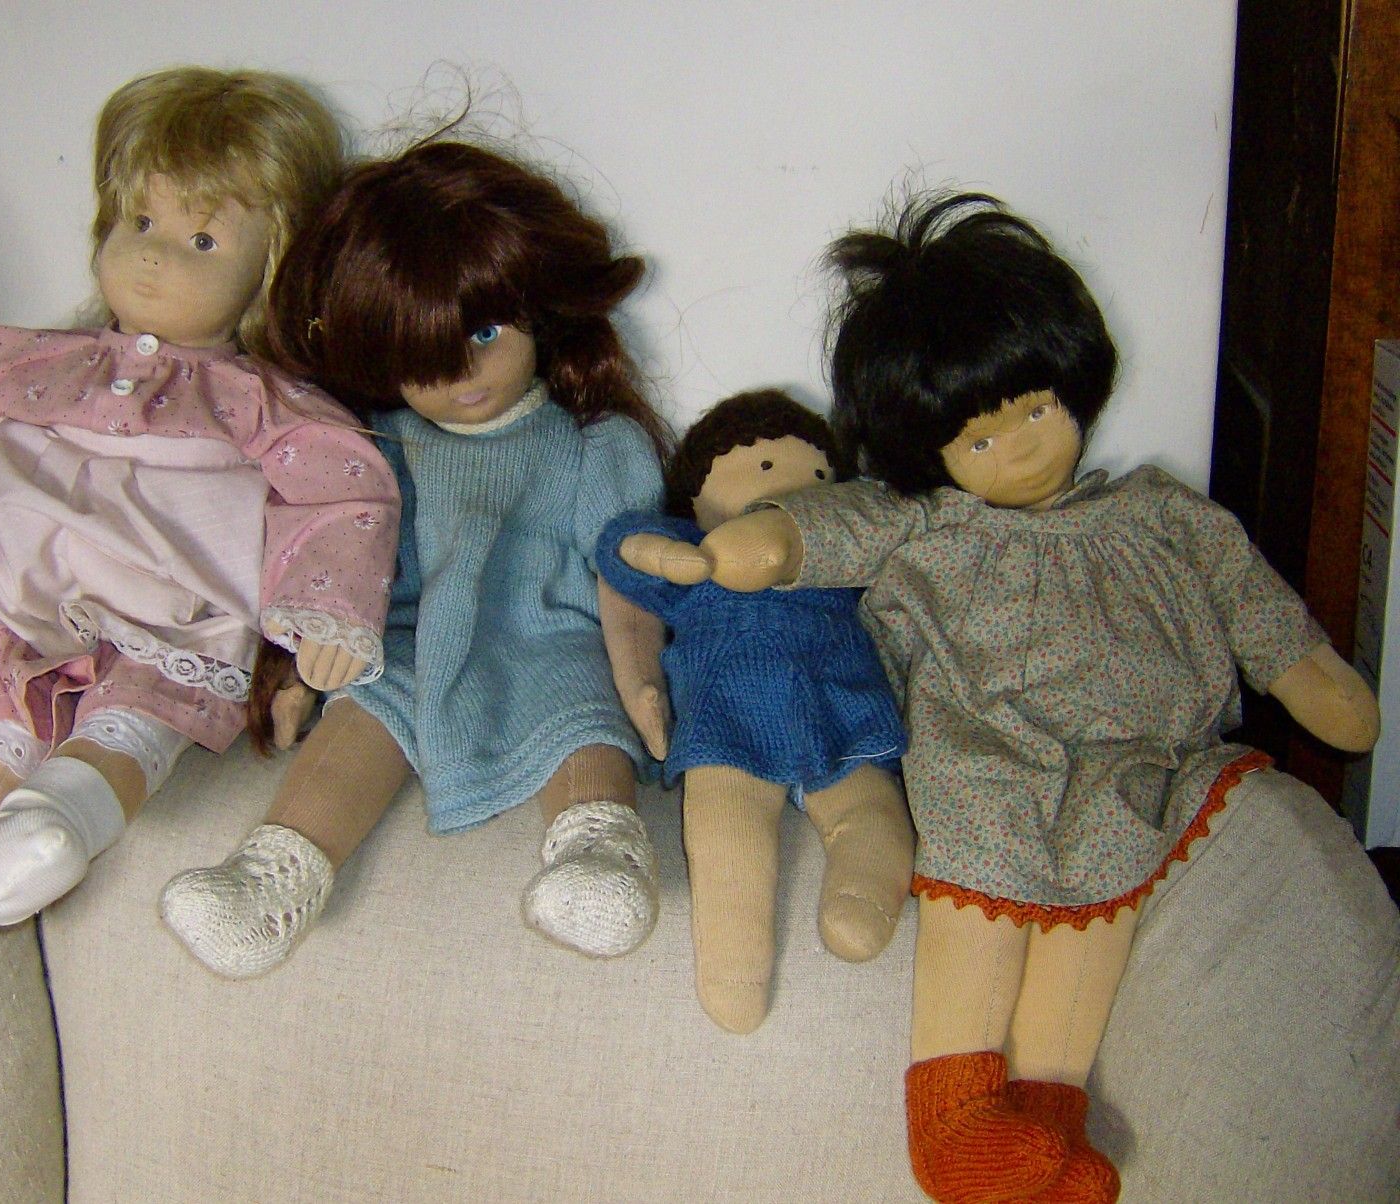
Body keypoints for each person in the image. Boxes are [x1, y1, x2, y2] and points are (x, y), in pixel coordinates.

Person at [619, 193, 1379, 1202]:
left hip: (1131, 764)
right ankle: (952, 1117)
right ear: (927, 452)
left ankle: (1048, 1114)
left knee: (1099, 900)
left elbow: (1250, 600)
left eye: (1034, 409)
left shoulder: (1160, 511)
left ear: (1075, 384)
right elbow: (821, 530)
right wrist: (744, 549)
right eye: (979, 439)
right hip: (983, 756)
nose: (1018, 447)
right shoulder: (923, 522)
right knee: (983, 877)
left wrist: (1312, 676)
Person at [0, 67, 398, 1013]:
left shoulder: (259, 401)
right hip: (16, 607)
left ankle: (64, 817)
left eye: (201, 239)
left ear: (270, 266)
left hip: (169, 621)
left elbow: (345, 489)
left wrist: (325, 615)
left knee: (137, 715)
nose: (154, 257)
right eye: (140, 222)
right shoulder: (19, 359)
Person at [161, 139, 673, 978]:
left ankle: (600, 853)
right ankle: (274, 876)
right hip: (408, 643)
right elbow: (336, 564)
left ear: (538, 309)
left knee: (583, 718)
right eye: (421, 359)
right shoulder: (374, 448)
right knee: (365, 712)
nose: (462, 375)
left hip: (557, 642)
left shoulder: (594, 446)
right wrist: (297, 666)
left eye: (484, 332)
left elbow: (624, 578)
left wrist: (641, 678)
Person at [598, 388, 912, 1034]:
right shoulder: (693, 553)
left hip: (844, 716)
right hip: (729, 725)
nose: (792, 488)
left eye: (819, 475)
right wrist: (677, 558)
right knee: (724, 838)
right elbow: (619, 548)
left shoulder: (833, 555)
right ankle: (733, 968)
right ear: (695, 497)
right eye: (764, 468)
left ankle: (861, 897)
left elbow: (891, 534)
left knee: (873, 815)